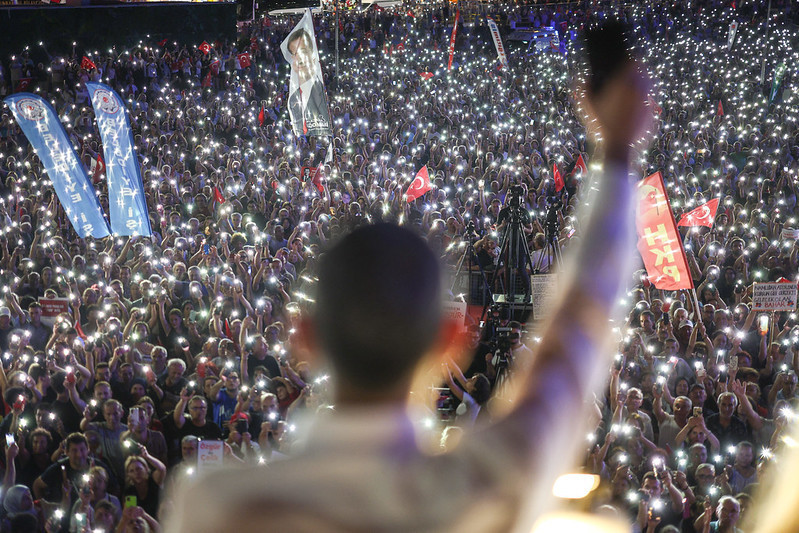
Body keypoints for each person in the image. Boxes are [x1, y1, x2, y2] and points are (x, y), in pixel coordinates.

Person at [167, 54, 651, 532]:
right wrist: (616, 151)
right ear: (449, 341)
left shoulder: (216, 504)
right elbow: (580, 322)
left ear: (304, 337)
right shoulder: (487, 479)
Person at [285, 27, 331, 137]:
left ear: (312, 56)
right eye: (296, 53)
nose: (300, 58)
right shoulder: (293, 98)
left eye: (303, 52)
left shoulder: (323, 91)